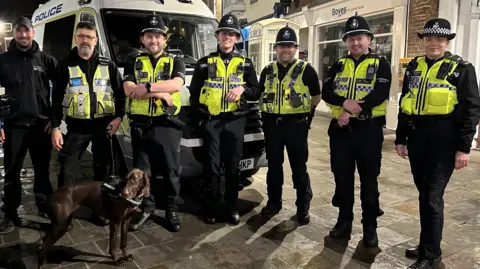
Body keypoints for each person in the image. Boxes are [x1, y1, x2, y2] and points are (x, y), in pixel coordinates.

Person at [395, 18, 480, 269]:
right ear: (424, 41)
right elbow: (405, 103)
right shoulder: (414, 66)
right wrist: (401, 138)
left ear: (447, 42)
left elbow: (472, 109)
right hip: (418, 139)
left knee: (432, 197)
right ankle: (427, 244)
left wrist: (465, 147)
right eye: (430, 38)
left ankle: (430, 256)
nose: (434, 43)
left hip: (444, 142)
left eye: (440, 39)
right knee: (424, 196)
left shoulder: (461, 69)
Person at [322, 15, 391, 247]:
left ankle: (370, 227)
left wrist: (349, 111)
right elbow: (327, 92)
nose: (355, 43)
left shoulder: (381, 64)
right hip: (341, 132)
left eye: (359, 37)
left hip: (368, 131)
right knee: (342, 178)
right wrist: (344, 103)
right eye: (350, 38)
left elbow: (378, 94)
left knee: (369, 181)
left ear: (369, 39)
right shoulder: (338, 65)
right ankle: (344, 221)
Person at [51, 21, 126, 226]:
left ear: (96, 40)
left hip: (103, 126)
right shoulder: (65, 64)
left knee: (103, 170)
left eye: (89, 36)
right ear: (76, 38)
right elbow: (56, 99)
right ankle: (63, 212)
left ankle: (99, 209)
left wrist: (119, 117)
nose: (85, 40)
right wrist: (56, 127)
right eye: (81, 36)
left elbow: (120, 95)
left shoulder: (107, 65)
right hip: (76, 127)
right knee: (68, 169)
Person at [189, 14, 259, 225]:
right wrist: (201, 120)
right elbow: (194, 94)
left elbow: (256, 91)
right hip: (212, 122)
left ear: (237, 38)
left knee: (233, 167)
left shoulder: (246, 64)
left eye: (231, 33)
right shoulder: (204, 63)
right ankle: (211, 208)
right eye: (223, 33)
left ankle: (231, 207)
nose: (227, 37)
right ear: (217, 36)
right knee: (211, 167)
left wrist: (242, 89)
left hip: (236, 121)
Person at [123, 14, 186, 232]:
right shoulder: (132, 60)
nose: (154, 41)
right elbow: (129, 90)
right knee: (142, 172)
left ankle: (171, 210)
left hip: (167, 125)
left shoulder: (175, 61)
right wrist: (159, 95)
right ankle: (147, 209)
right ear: (143, 39)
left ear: (165, 39)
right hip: (141, 125)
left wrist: (148, 88)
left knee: (170, 170)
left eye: (158, 36)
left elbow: (176, 85)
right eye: (149, 36)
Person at [256, 25, 321, 225]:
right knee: (274, 167)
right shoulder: (267, 71)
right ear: (276, 48)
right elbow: (259, 96)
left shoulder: (307, 70)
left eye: (290, 46)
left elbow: (316, 98)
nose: (286, 50)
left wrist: (299, 113)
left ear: (296, 48)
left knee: (299, 168)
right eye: (282, 46)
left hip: (296, 126)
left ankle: (303, 207)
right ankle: (274, 203)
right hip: (272, 125)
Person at [0, 16, 57, 234]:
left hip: (40, 126)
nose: (23, 35)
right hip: (14, 126)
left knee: (42, 170)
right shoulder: (3, 60)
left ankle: (45, 205)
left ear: (33, 32)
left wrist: (53, 122)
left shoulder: (46, 60)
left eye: (26, 30)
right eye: (19, 31)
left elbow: (60, 91)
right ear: (14, 33)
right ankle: (10, 211)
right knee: (12, 171)